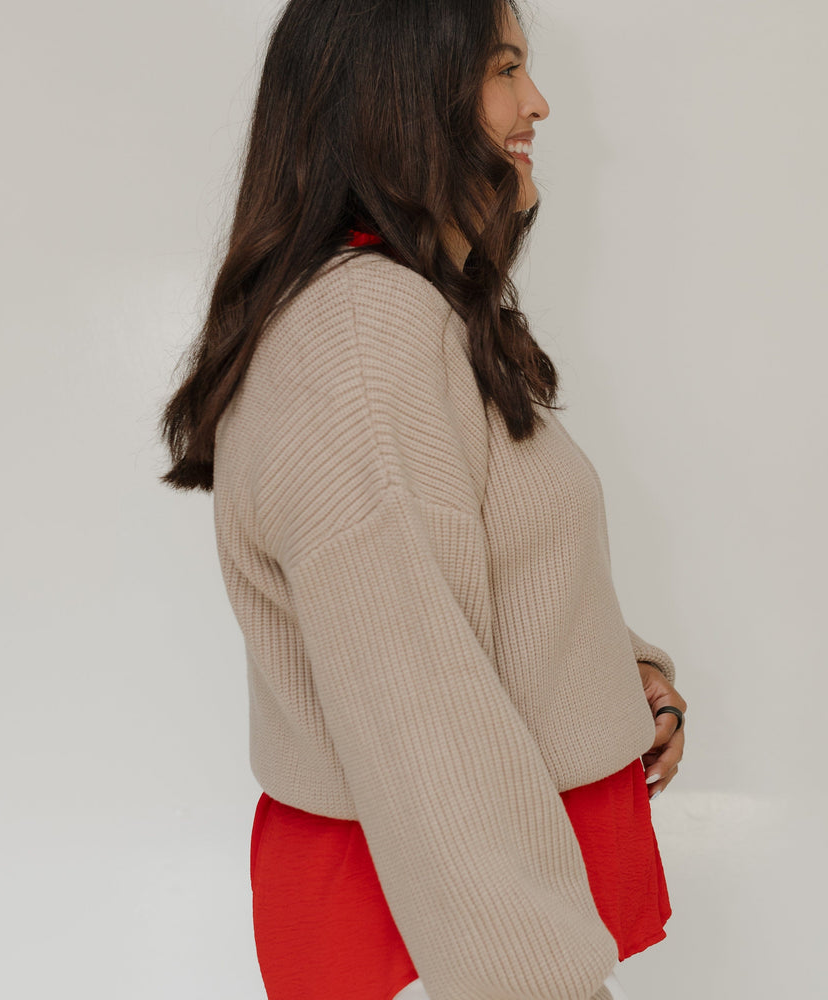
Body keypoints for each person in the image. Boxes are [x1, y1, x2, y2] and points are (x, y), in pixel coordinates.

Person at [158, 1, 688, 998]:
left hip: (456, 912)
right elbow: (418, 723)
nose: (536, 103)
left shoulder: (402, 310)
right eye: (503, 69)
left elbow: (452, 592)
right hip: (437, 931)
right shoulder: (365, 335)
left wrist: (617, 680)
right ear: (406, 97)